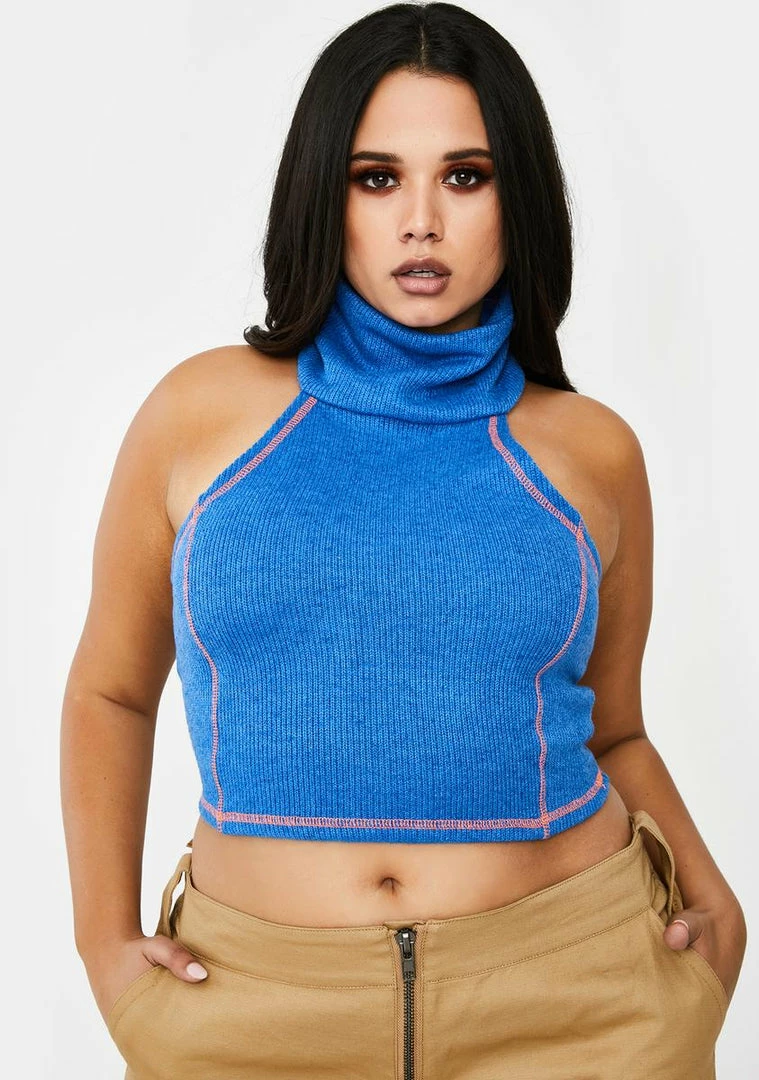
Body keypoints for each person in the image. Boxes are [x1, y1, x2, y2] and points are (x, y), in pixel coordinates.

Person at [60, 3, 746, 1078]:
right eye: (376, 178)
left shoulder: (590, 452)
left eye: (465, 176)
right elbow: (110, 692)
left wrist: (715, 903)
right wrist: (102, 946)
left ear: (518, 197)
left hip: (577, 998)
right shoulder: (199, 416)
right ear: (322, 195)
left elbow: (615, 730)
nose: (420, 221)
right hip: (251, 1010)